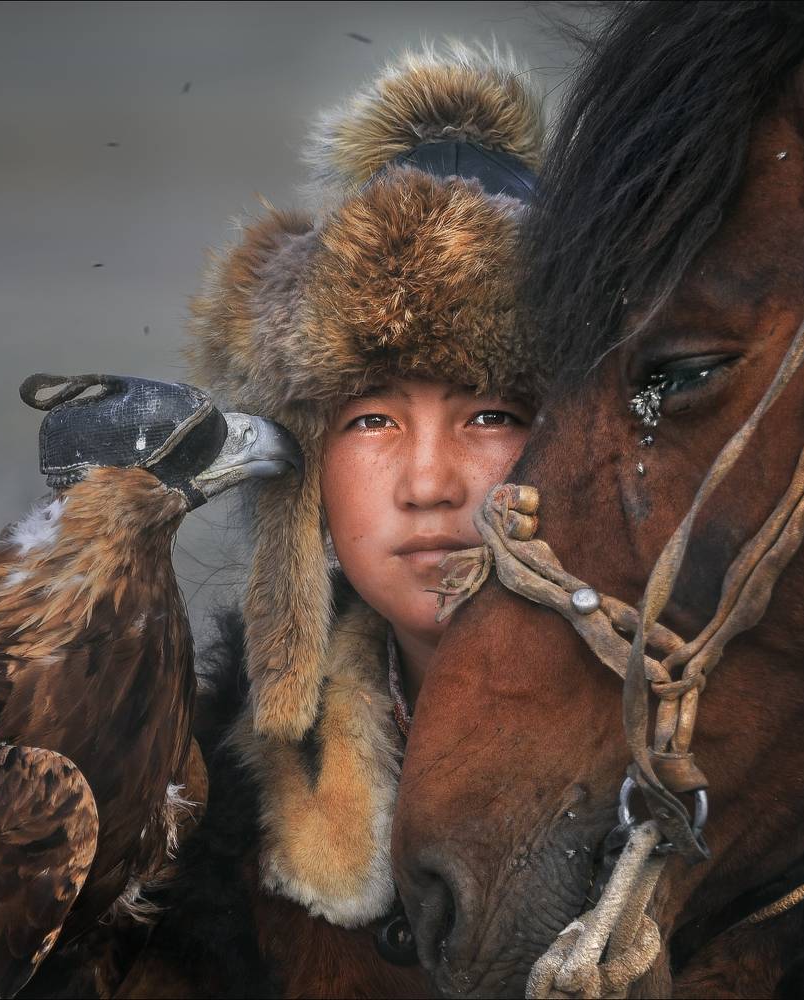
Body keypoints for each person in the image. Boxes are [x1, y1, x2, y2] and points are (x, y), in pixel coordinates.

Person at [112, 45, 549, 997]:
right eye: (373, 419)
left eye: (491, 414)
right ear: (305, 470)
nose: (429, 483)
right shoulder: (191, 805)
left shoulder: (753, 771)